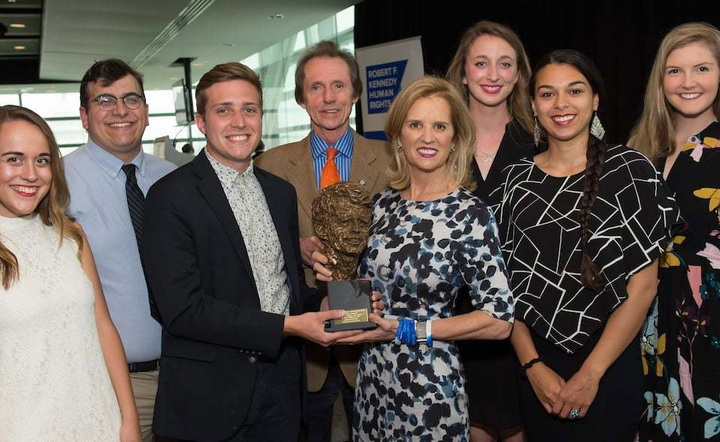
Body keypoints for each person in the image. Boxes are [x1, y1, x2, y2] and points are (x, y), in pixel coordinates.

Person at [142, 62, 370, 442]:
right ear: (200, 122)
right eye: (223, 110)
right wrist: (288, 327)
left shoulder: (280, 193)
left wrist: (339, 301)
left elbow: (290, 290)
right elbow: (182, 310)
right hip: (210, 397)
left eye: (249, 109)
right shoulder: (170, 197)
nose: (239, 122)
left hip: (282, 388)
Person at [493, 50, 679, 441]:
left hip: (609, 367)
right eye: (547, 94)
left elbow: (643, 289)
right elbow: (502, 291)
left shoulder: (633, 172)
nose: (561, 104)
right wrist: (533, 367)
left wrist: (591, 374)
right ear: (532, 105)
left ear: (595, 100)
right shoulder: (513, 183)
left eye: (574, 91)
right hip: (536, 372)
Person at [316, 76, 515, 441]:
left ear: (455, 139)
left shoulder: (470, 214)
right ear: (398, 136)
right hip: (373, 382)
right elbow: (364, 298)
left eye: (439, 126)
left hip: (430, 388)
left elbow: (499, 319)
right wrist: (340, 299)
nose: (427, 137)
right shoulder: (380, 206)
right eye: (415, 124)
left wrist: (410, 328)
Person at [255, 40, 392, 441]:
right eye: (316, 88)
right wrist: (293, 246)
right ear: (301, 98)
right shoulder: (271, 165)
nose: (328, 98)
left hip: (371, 340)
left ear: (355, 93)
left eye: (338, 86)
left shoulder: (391, 160)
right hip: (302, 346)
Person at [0, 105, 141, 441]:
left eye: (42, 160)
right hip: (24, 429)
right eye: (14, 159)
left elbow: (104, 328)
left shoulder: (71, 235)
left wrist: (129, 420)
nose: (31, 174)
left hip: (100, 421)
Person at [64, 58, 176, 442]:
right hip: (110, 384)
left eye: (131, 99)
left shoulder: (175, 178)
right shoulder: (56, 186)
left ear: (145, 110)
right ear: (83, 115)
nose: (120, 111)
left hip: (189, 375)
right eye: (105, 100)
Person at [629, 22, 720, 442]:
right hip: (647, 321)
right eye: (675, 71)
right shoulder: (641, 151)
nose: (688, 83)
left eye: (702, 68)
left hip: (710, 325)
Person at [446, 20, 535, 442]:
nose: (493, 75)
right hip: (456, 321)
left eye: (505, 64)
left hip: (529, 317)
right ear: (463, 72)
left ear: (519, 73)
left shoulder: (541, 138)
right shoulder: (438, 140)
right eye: (481, 63)